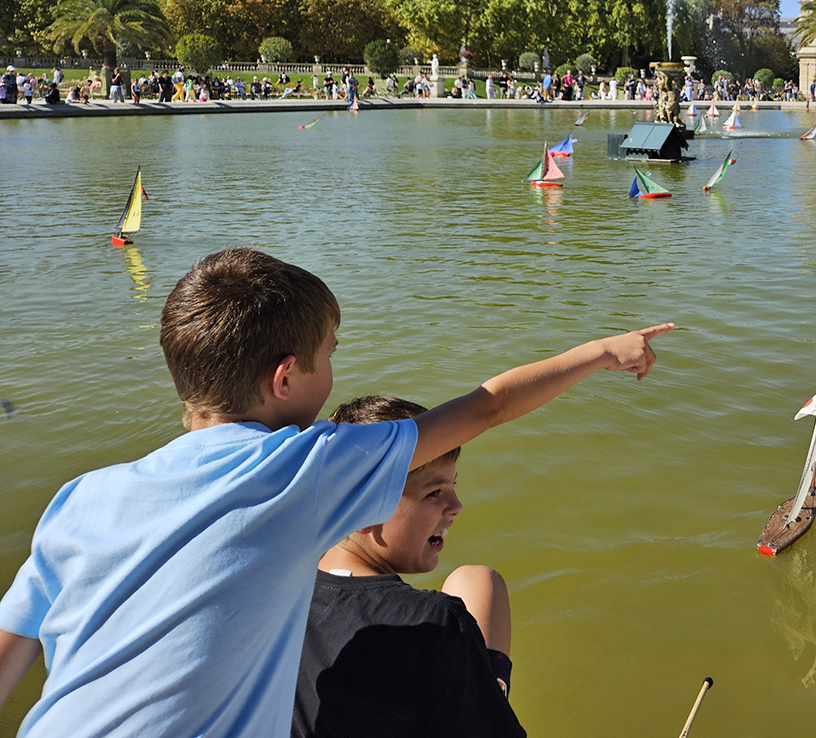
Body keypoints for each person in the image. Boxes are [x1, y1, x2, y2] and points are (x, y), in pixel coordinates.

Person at [0, 248, 671, 737]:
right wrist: (603, 352)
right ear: (286, 377)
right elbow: (487, 406)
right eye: (330, 352)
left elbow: (11, 653)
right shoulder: (299, 469)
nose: (333, 370)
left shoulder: (81, 497)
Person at [293, 395, 524, 738]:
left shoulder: (283, 599)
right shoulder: (433, 622)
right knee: (479, 582)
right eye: (434, 492)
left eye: (453, 486)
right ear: (362, 509)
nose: (456, 506)